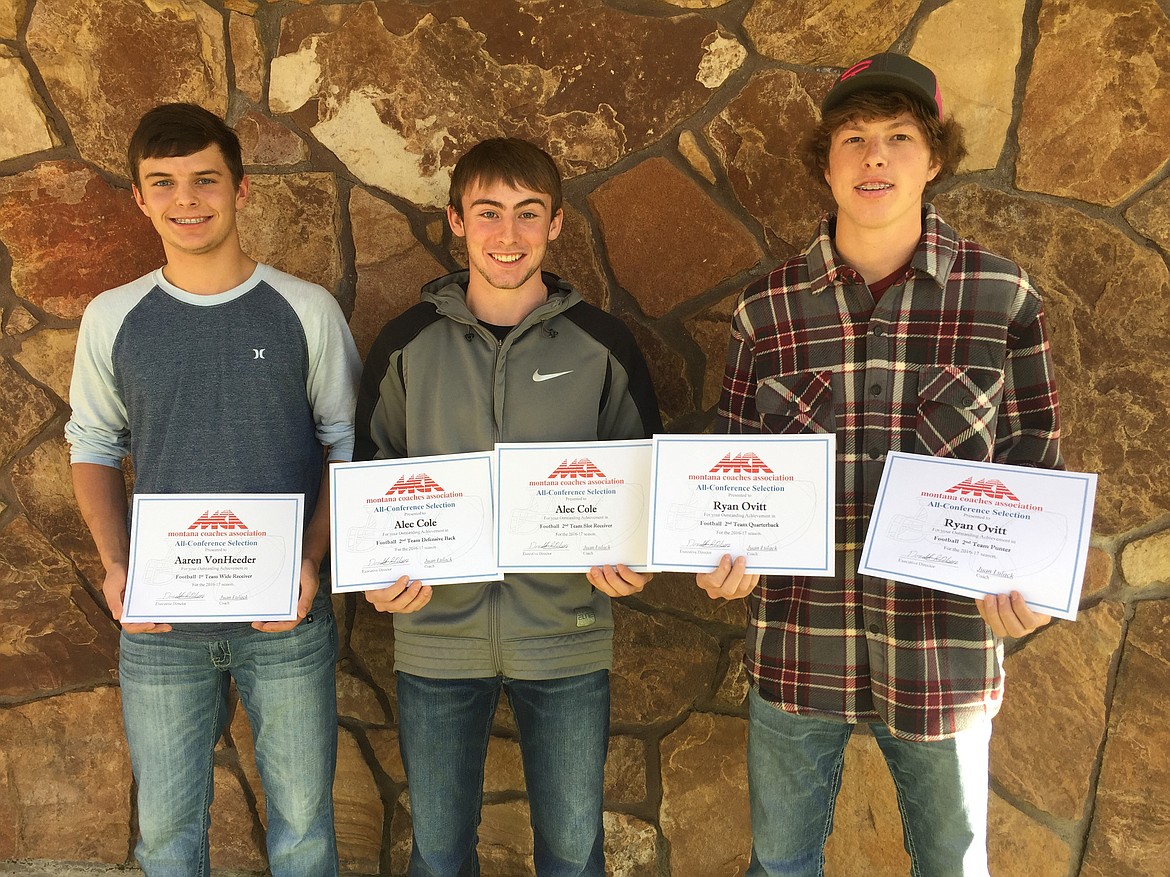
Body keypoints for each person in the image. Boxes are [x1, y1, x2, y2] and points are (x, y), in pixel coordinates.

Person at [697, 54, 1063, 876]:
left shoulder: (1001, 297)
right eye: (853, 137)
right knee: (779, 863)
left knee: (952, 864)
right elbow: (729, 467)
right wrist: (719, 559)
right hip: (798, 641)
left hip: (943, 651)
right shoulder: (768, 309)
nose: (874, 156)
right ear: (824, 162)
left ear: (934, 158)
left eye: (899, 136)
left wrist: (1032, 582)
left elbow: (1035, 458)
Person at [354, 137, 662, 877]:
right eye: (488, 213)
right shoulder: (405, 344)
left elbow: (645, 484)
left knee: (571, 853)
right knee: (436, 854)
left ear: (556, 224)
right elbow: (371, 475)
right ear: (456, 220)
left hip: (568, 632)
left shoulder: (602, 344)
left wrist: (640, 561)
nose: (508, 235)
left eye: (529, 214)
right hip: (434, 636)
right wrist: (374, 573)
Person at [66, 103, 360, 876]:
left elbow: (345, 443)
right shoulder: (112, 318)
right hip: (160, 624)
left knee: (305, 828)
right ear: (138, 196)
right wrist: (116, 565)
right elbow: (92, 445)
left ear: (242, 189)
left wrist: (309, 561)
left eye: (205, 179)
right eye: (162, 183)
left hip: (285, 618)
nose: (185, 199)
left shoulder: (306, 309)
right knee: (166, 835)